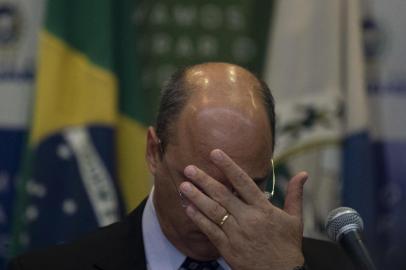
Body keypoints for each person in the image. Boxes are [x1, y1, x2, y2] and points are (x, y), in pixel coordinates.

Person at [8, 62, 355, 270]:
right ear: (153, 152)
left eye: (244, 189)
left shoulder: (335, 266)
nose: (218, 212)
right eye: (200, 187)